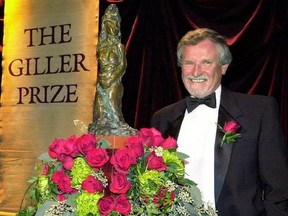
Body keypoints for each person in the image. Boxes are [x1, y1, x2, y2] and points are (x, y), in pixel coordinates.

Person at [151, 28, 288, 215]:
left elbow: (280, 189)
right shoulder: (162, 118)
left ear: (223, 67)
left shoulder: (258, 112)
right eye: (189, 62)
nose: (196, 71)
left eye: (206, 62)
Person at [89, 4, 137, 136]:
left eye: (114, 23)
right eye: (109, 23)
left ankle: (118, 127)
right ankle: (102, 126)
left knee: (113, 103)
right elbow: (100, 65)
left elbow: (122, 65)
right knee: (100, 107)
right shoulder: (102, 46)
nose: (112, 26)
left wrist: (111, 79)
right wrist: (103, 80)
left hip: (113, 80)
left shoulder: (119, 46)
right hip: (102, 81)